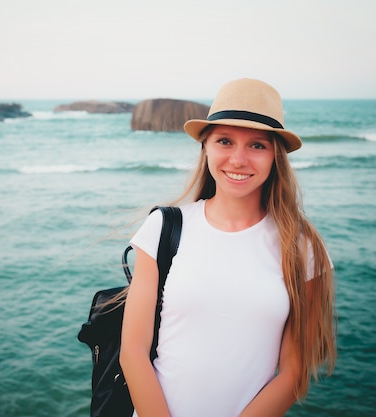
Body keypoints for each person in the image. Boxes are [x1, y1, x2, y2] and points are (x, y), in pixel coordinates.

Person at [120, 78, 336, 417]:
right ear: (205, 147)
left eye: (257, 146)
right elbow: (132, 351)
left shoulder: (301, 248)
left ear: (275, 156)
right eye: (224, 141)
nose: (238, 159)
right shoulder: (163, 228)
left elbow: (295, 373)